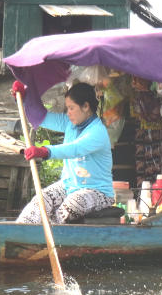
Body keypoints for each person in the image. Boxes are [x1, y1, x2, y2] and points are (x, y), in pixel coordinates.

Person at [12, 80, 115, 224]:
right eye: (67, 108)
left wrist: (45, 151)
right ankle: (19, 231)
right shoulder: (69, 123)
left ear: (86, 106)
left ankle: (48, 234)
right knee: (41, 200)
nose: (68, 113)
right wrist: (23, 99)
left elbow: (75, 149)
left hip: (97, 192)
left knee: (72, 205)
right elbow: (39, 117)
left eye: (71, 108)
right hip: (69, 185)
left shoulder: (98, 131)